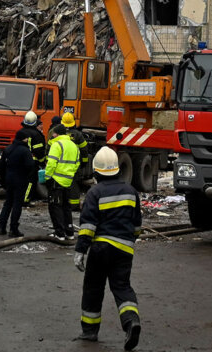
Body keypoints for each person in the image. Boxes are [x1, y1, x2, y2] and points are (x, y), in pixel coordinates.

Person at [74, 147, 142, 351]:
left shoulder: (95, 192)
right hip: (125, 249)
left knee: (93, 288)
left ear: (96, 172)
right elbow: (137, 225)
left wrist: (80, 251)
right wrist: (130, 241)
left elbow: (88, 226)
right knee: (122, 287)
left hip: (101, 249)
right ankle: (131, 322)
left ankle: (90, 331)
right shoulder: (131, 191)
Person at [45, 125, 80, 241]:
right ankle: (69, 233)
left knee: (55, 207)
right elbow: (77, 163)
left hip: (56, 180)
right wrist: (69, 174)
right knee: (66, 207)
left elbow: (51, 163)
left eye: (54, 133)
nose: (53, 135)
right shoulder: (74, 146)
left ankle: (59, 233)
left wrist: (47, 177)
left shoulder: (56, 145)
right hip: (68, 180)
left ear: (58, 134)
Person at [0, 129, 34, 237]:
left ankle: (1, 226)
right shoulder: (25, 150)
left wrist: (3, 180)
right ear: (23, 138)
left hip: (9, 179)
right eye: (27, 138)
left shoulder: (8, 149)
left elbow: (1, 167)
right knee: (17, 204)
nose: (28, 139)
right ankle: (13, 229)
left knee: (8, 203)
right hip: (20, 179)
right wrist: (27, 176)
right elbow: (30, 165)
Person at [61, 112, 88, 211]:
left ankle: (61, 203)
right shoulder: (78, 135)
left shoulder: (59, 133)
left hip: (61, 165)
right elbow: (84, 150)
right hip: (74, 166)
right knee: (74, 185)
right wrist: (84, 162)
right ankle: (74, 205)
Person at [19, 111, 45, 206]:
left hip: (20, 160)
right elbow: (39, 151)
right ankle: (25, 200)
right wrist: (42, 162)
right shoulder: (36, 134)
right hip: (32, 162)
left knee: (21, 179)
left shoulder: (20, 132)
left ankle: (19, 198)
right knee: (30, 181)